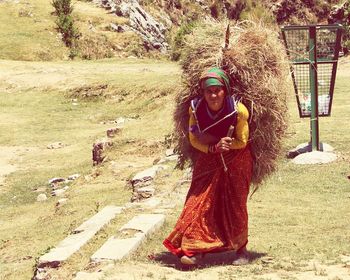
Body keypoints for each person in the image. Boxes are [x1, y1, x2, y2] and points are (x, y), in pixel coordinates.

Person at [163, 67, 253, 265]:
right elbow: (194, 138)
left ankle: (241, 249)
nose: (213, 95)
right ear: (202, 93)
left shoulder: (238, 110)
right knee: (198, 200)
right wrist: (213, 148)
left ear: (225, 91)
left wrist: (227, 146)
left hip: (236, 158)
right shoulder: (195, 108)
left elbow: (242, 141)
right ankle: (194, 249)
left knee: (235, 203)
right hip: (208, 156)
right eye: (208, 91)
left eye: (217, 90)